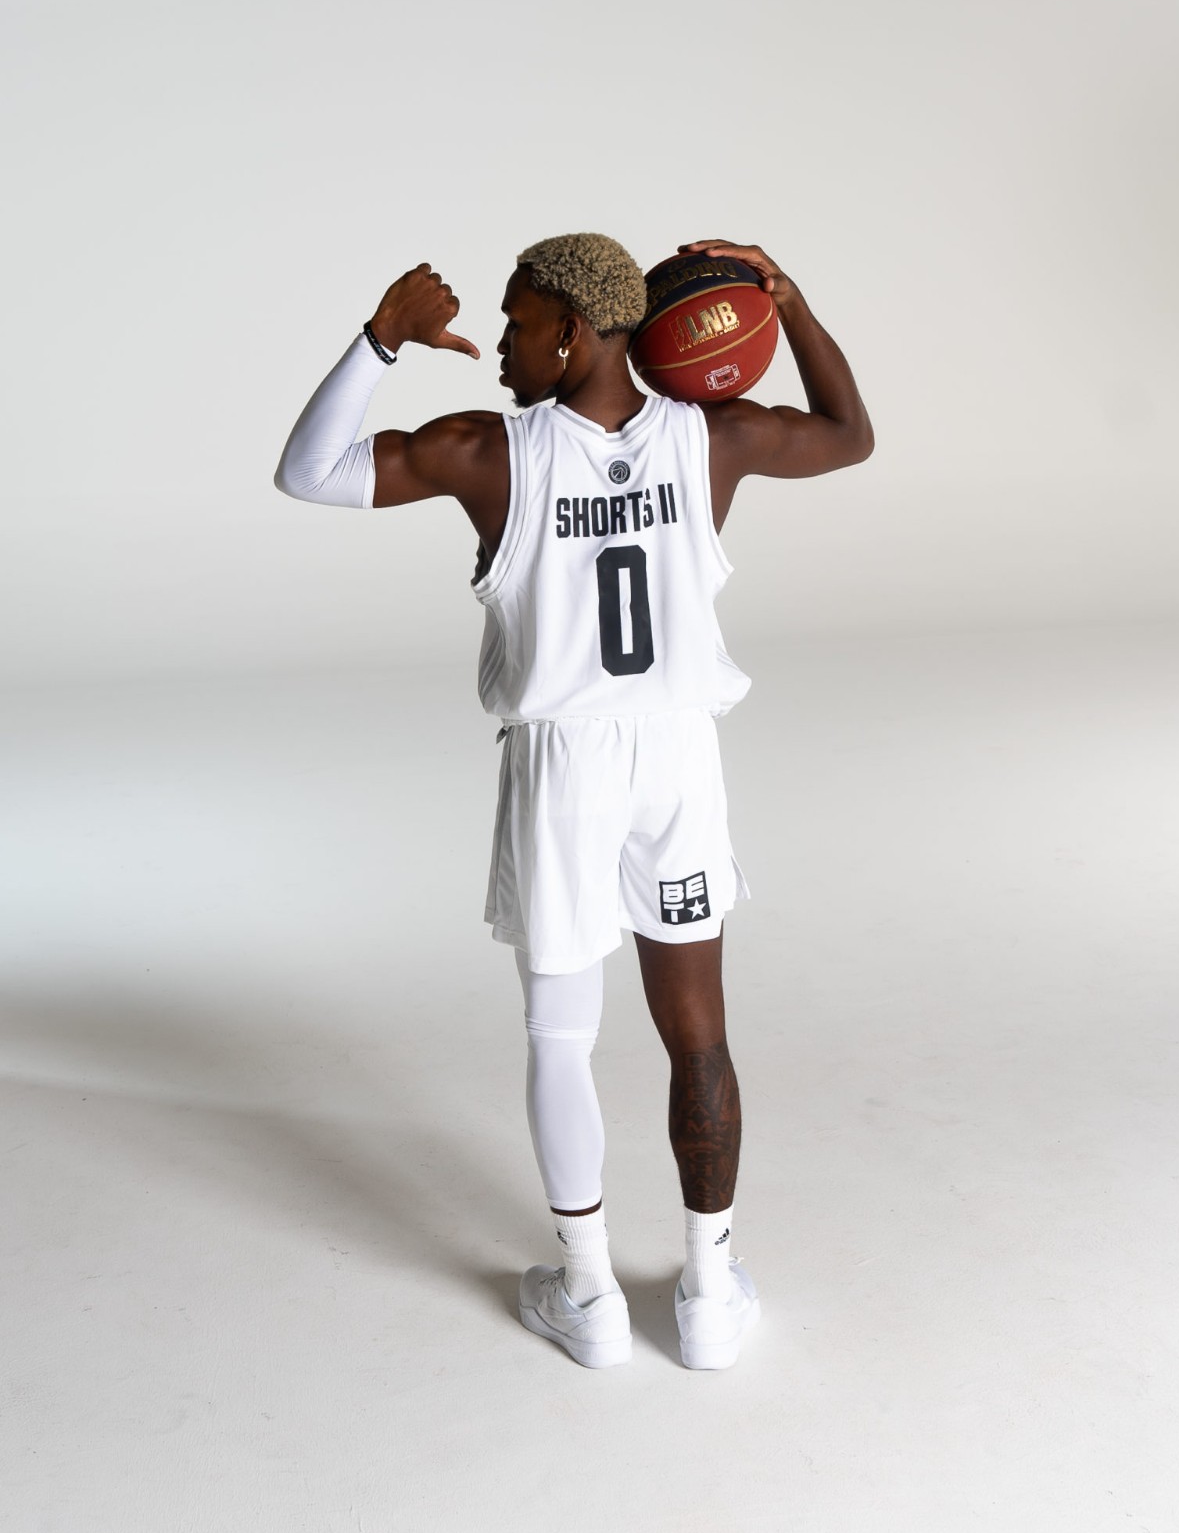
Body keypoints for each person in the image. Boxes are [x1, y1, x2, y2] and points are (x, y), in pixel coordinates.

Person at [274, 233, 873, 1370]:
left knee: (562, 1033)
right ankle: (708, 1293)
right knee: (699, 1032)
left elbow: (308, 472)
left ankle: (589, 1295)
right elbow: (850, 434)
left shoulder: (488, 453)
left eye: (517, 324)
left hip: (562, 765)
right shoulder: (714, 439)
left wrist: (381, 339)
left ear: (576, 329)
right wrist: (785, 301)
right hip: (678, 757)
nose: (500, 346)